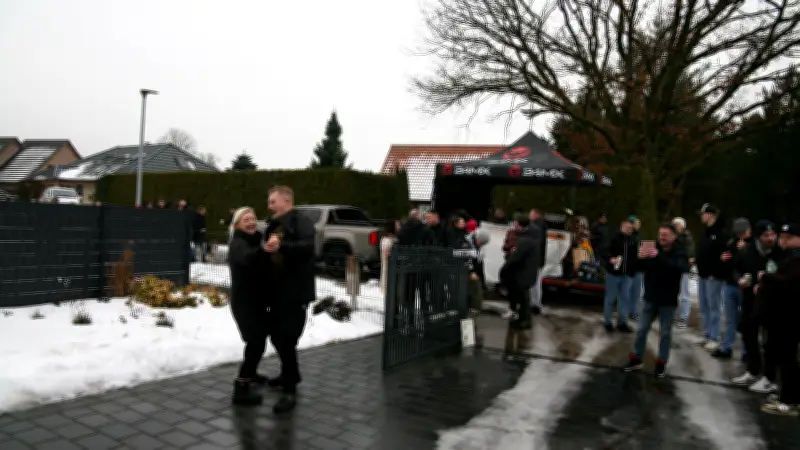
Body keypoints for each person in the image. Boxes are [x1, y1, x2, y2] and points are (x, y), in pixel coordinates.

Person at [262, 185, 316, 414]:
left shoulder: (300, 221)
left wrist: (281, 245)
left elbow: (308, 247)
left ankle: (290, 388)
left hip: (295, 291)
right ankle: (288, 374)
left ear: (286, 200)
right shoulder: (273, 224)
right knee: (276, 335)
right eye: (269, 202)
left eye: (273, 201)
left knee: (287, 337)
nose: (269, 206)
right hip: (276, 290)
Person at [624, 223, 688, 377]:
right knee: (641, 329)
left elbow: (678, 267)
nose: (662, 237)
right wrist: (639, 257)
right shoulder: (653, 248)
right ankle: (636, 358)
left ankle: (661, 363)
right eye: (660, 234)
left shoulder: (680, 251)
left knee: (665, 333)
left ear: (674, 237)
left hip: (668, 300)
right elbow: (639, 268)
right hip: (650, 296)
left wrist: (658, 256)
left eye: (665, 235)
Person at [755, 223, 800, 416]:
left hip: (791, 316)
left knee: (788, 358)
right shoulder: (788, 257)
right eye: (782, 236)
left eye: (789, 237)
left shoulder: (797, 259)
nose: (784, 240)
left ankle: (790, 400)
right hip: (780, 316)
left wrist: (767, 278)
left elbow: (789, 282)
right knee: (782, 356)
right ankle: (786, 394)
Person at [731, 220, 781, 394]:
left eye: (773, 234)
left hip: (772, 302)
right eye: (766, 235)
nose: (770, 238)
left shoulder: (779, 252)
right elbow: (735, 268)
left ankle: (770, 377)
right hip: (750, 300)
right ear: (759, 237)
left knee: (770, 341)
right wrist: (740, 279)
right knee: (748, 332)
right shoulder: (748, 250)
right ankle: (753, 370)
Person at [227, 207, 271, 406]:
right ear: (237, 225)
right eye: (246, 220)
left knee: (257, 341)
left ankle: (251, 374)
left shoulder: (254, 241)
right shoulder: (238, 244)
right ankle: (241, 388)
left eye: (253, 218)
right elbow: (247, 258)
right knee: (256, 343)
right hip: (244, 302)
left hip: (257, 300)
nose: (252, 222)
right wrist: (265, 249)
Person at [714, 217, 751, 358]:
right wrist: (722, 260)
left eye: (743, 232)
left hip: (745, 286)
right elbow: (729, 264)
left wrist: (745, 250)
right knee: (730, 320)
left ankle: (747, 351)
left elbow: (751, 264)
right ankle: (726, 348)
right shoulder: (731, 243)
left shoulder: (753, 244)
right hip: (730, 284)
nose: (740, 235)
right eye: (738, 233)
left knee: (746, 320)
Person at [694, 203, 729, 350]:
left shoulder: (721, 233)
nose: (701, 217)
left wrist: (716, 272)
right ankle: (707, 333)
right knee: (704, 305)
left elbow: (724, 255)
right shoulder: (706, 232)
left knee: (714, 307)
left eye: (703, 214)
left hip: (713, 276)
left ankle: (714, 336)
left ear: (711, 215)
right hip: (702, 274)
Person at [499, 213, 540, 330]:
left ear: (521, 225)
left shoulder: (524, 240)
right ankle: (522, 319)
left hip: (523, 274)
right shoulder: (530, 237)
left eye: (516, 224)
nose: (514, 225)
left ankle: (525, 321)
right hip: (527, 273)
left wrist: (504, 270)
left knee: (524, 299)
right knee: (523, 298)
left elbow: (515, 258)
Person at [601, 219, 637, 333]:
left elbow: (636, 257)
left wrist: (633, 271)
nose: (629, 229)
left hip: (627, 275)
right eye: (627, 227)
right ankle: (608, 322)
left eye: (631, 228)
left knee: (625, 299)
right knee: (610, 298)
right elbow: (604, 251)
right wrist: (610, 259)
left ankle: (622, 323)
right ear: (622, 227)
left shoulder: (633, 241)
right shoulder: (614, 238)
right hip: (613, 274)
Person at [672, 217, 695, 328]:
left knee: (685, 295)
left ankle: (683, 318)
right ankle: (671, 316)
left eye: (678, 224)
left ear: (683, 226)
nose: (676, 226)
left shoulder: (687, 237)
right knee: (672, 293)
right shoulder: (671, 236)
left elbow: (690, 253)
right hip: (672, 268)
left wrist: (687, 263)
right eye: (675, 224)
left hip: (683, 269)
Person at [529, 208, 547, 315]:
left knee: (535, 282)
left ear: (536, 215)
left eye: (531, 214)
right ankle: (535, 303)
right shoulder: (541, 226)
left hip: (535, 259)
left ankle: (535, 304)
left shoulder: (537, 227)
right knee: (536, 282)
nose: (529, 216)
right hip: (538, 258)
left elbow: (537, 244)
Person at [628, 216, 644, 320]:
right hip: (629, 267)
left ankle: (633, 312)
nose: (638, 225)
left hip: (638, 267)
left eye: (639, 223)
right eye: (636, 223)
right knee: (628, 290)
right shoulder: (627, 236)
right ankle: (627, 311)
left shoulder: (639, 236)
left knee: (637, 292)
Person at [379, 219, 399, 296]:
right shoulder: (387, 241)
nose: (399, 227)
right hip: (389, 270)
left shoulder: (393, 239)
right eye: (397, 225)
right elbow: (388, 255)